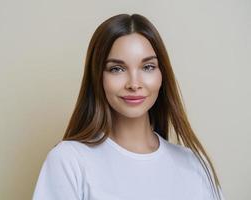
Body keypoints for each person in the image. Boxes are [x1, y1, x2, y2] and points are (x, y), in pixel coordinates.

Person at [32, 13, 225, 200]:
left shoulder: (195, 165)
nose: (134, 84)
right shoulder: (69, 161)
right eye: (117, 69)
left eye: (148, 67)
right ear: (98, 78)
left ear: (162, 74)